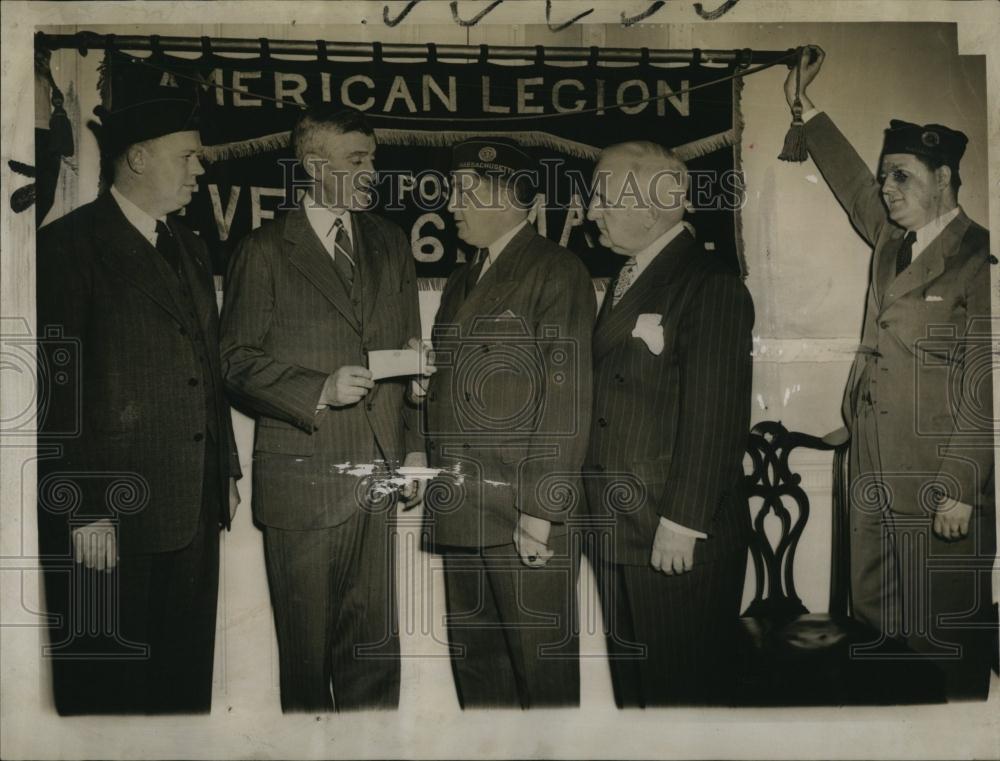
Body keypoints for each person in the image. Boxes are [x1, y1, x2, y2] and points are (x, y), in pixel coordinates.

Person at [785, 45, 996, 700]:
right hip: (871, 458)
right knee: (875, 615)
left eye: (901, 176)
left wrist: (962, 481)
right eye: (886, 177)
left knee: (942, 629)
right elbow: (850, 183)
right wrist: (805, 109)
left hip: (937, 472)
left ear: (945, 178)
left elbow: (984, 378)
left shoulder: (977, 254)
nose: (887, 188)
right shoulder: (890, 241)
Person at [36, 92, 242, 714]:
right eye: (188, 158)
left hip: (192, 511)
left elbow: (206, 366)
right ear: (138, 159)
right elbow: (53, 389)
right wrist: (84, 505)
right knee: (109, 693)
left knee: (180, 694)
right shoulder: (67, 246)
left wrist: (225, 471)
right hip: (111, 519)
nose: (199, 171)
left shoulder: (190, 245)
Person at [219, 106, 426, 712]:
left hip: (380, 478)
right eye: (357, 161)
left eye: (373, 158)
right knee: (307, 669)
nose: (372, 172)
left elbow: (410, 356)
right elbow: (234, 361)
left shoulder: (390, 242)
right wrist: (318, 388)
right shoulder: (263, 250)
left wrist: (415, 446)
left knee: (374, 663)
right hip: (303, 482)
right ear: (314, 166)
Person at [420, 138, 595, 707]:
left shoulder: (555, 269)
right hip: (462, 508)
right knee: (480, 679)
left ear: (508, 196)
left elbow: (566, 399)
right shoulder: (463, 277)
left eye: (462, 192)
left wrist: (540, 512)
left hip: (522, 514)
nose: (450, 205)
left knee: (543, 684)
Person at [583, 141, 754, 706]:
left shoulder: (710, 283)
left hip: (674, 532)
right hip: (618, 528)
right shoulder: (631, 278)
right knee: (637, 700)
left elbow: (716, 419)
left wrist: (682, 522)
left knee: (681, 703)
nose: (590, 212)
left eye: (603, 196)